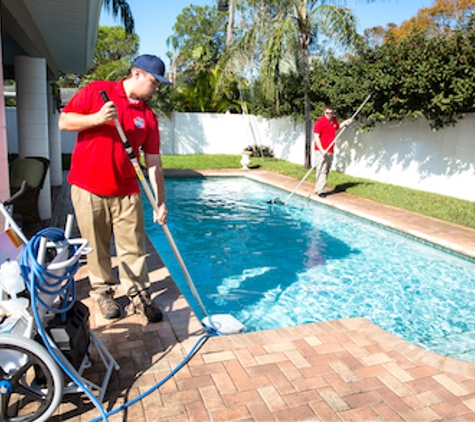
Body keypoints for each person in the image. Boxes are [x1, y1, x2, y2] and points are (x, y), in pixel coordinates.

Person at [58, 55, 171, 323]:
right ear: (137, 75)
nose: (157, 89)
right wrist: (97, 118)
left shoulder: (148, 116)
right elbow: (65, 122)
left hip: (127, 190)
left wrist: (161, 200)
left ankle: (139, 295)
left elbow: (153, 162)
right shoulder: (98, 92)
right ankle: (103, 292)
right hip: (88, 188)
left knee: (133, 246)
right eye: (155, 82)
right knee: (96, 247)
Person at [313, 104, 353, 198]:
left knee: (326, 169)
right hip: (321, 150)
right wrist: (322, 149)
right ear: (324, 112)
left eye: (331, 113)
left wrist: (346, 122)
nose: (329, 115)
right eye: (327, 113)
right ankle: (320, 190)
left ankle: (318, 188)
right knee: (322, 169)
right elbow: (316, 137)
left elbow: (338, 127)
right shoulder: (320, 122)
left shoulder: (334, 120)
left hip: (330, 150)